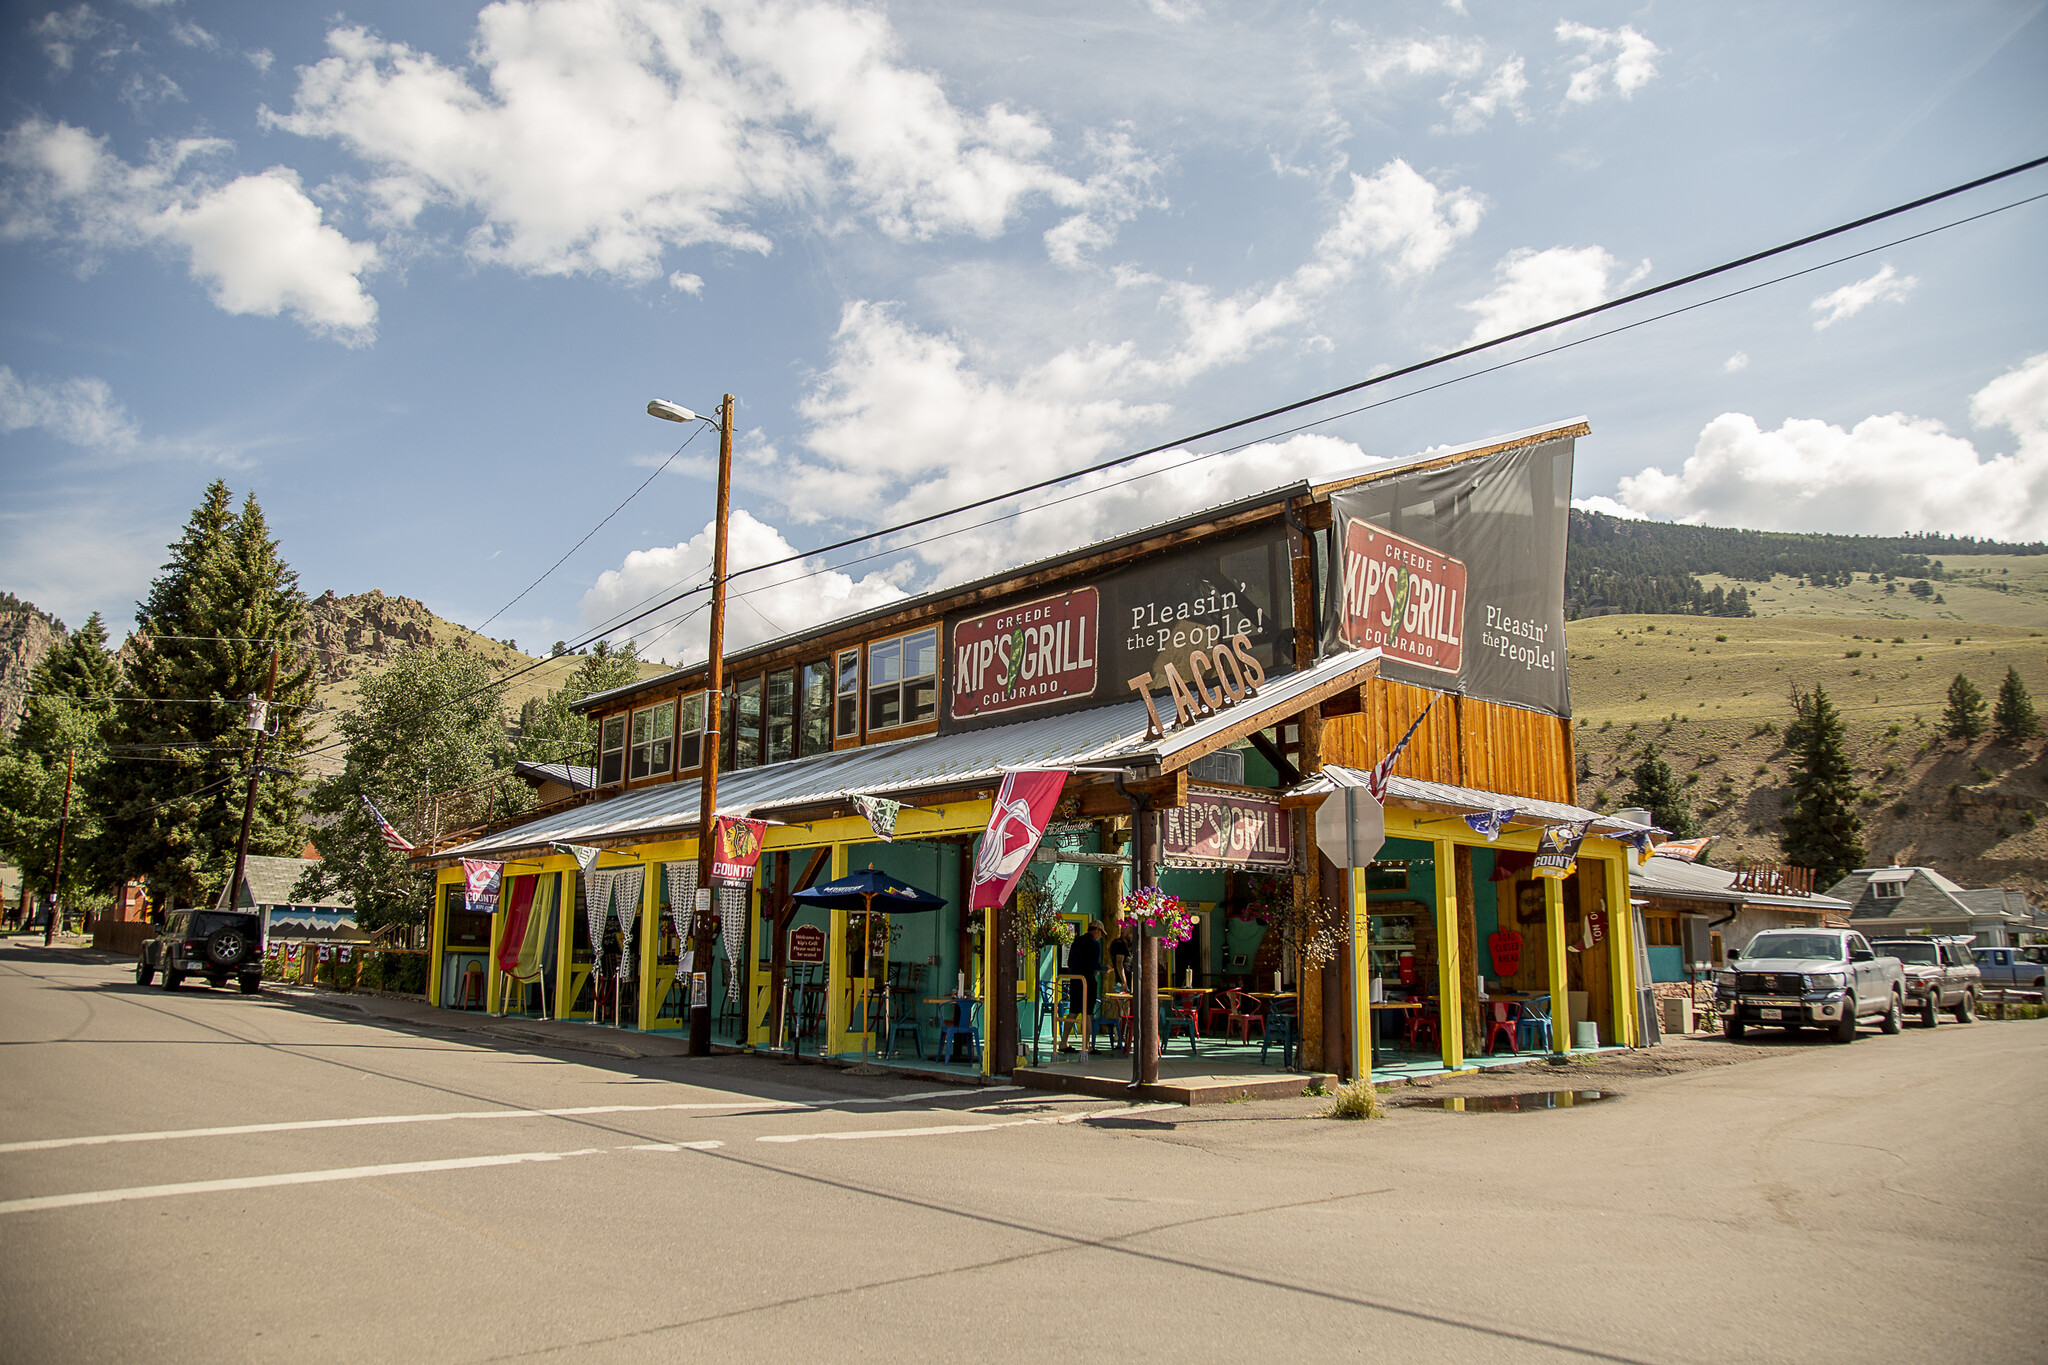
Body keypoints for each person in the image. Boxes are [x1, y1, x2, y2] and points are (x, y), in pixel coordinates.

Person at [1061, 922, 1104, 1051]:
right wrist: (1105, 969)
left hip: (1075, 980)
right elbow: (1094, 965)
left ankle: (1063, 1042)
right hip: (1088, 981)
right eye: (1101, 932)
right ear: (1096, 930)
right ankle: (1086, 1045)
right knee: (1088, 1014)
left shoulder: (1077, 941)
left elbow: (1069, 962)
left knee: (1073, 1011)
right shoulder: (1094, 944)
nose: (1101, 936)